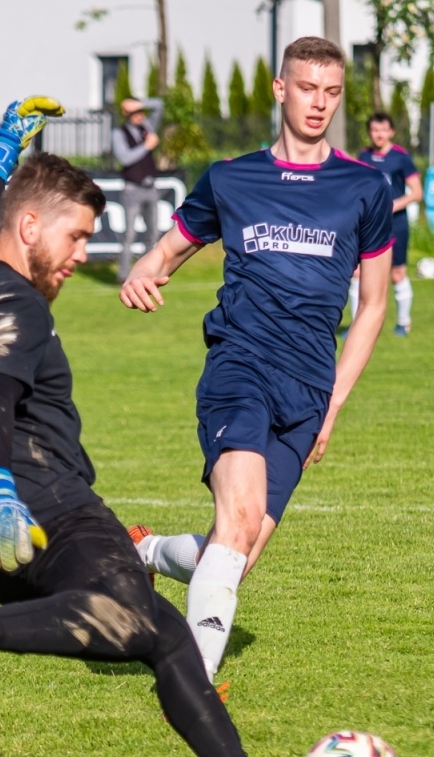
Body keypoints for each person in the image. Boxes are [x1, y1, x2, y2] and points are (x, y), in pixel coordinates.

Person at [0, 97, 291, 757]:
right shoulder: (16, 306)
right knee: (131, 621)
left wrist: (4, 147)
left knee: (169, 637)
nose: (81, 255)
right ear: (29, 227)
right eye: (75, 236)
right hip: (44, 512)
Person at [118, 36, 394, 683]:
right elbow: (168, 251)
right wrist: (142, 273)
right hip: (239, 368)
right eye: (307, 88)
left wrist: (333, 404)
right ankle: (192, 687)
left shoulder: (364, 187)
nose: (319, 103)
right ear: (280, 88)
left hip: (309, 390)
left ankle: (146, 552)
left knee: (234, 554)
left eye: (332, 92)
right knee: (238, 519)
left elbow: (374, 305)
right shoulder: (231, 178)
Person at [352, 111, 422, 336]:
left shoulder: (401, 158)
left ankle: (403, 323)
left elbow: (417, 193)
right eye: (374, 130)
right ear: (369, 132)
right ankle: (356, 327)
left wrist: (392, 205)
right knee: (357, 273)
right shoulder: (363, 156)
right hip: (369, 224)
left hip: (396, 224)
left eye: (383, 130)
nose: (379, 134)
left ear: (391, 132)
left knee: (397, 274)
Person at [110, 96, 165, 283]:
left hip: (151, 188)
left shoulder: (147, 127)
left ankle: (147, 273)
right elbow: (125, 158)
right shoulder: (119, 133)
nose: (139, 115)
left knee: (153, 234)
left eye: (140, 111)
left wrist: (140, 103)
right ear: (127, 114)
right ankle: (123, 276)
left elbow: (159, 105)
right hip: (132, 190)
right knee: (129, 236)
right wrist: (146, 146)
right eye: (134, 112)